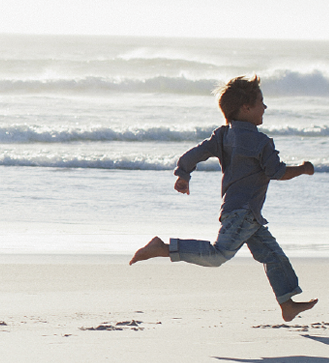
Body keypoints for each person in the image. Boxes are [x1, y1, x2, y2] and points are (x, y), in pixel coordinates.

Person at [130, 75, 317, 322]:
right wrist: (303, 169)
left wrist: (183, 174)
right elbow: (277, 172)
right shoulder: (261, 142)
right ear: (246, 107)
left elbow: (194, 154)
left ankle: (287, 304)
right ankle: (163, 248)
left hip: (242, 213)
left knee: (273, 256)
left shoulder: (222, 135)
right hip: (244, 214)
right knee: (218, 255)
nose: (265, 107)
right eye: (261, 102)